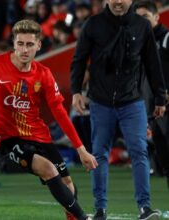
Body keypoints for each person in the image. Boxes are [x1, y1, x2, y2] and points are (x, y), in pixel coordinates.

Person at [0, 19, 98, 220]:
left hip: (39, 135)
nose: (24, 50)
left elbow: (60, 113)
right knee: (49, 170)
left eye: (29, 44)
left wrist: (81, 149)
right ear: (14, 43)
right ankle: (84, 218)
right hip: (7, 139)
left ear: (39, 45)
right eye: (20, 44)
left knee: (67, 183)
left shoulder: (44, 74)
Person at [70, 0, 166, 219]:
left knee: (139, 152)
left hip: (133, 101)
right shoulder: (93, 24)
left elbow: (153, 63)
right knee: (99, 154)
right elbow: (79, 60)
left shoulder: (142, 26)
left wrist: (160, 97)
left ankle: (145, 207)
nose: (117, 1)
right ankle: (100, 209)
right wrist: (76, 91)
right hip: (100, 102)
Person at [135, 0, 169, 189]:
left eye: (146, 17)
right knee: (165, 163)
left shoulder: (166, 38)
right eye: (138, 18)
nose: (142, 21)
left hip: (166, 108)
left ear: (156, 17)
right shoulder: (138, 43)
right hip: (153, 111)